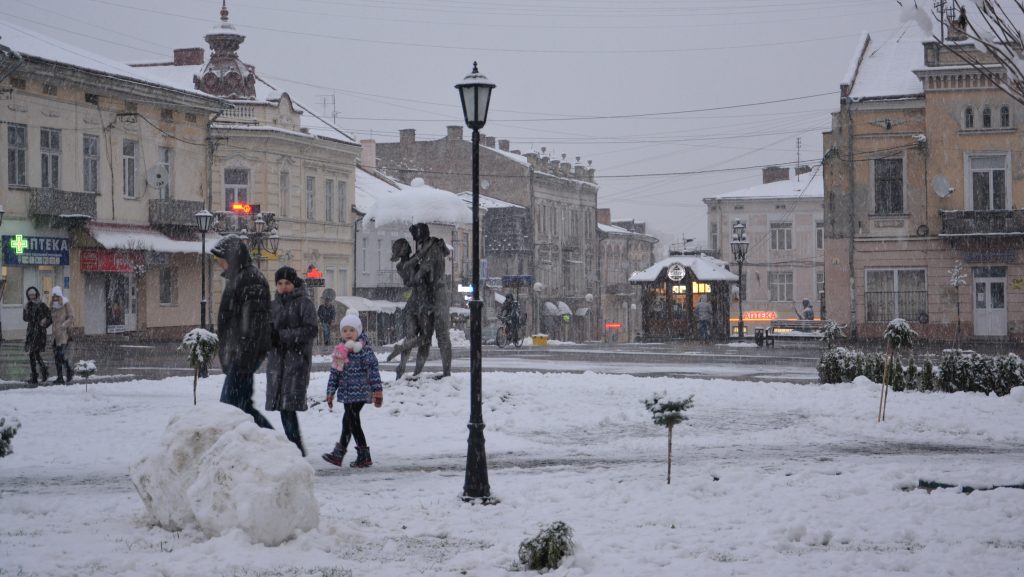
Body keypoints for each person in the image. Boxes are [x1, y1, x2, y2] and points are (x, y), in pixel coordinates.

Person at [211, 234, 274, 429]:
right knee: (240, 407)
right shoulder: (241, 278)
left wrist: (242, 355)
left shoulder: (249, 279)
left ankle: (277, 447)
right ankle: (275, 446)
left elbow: (252, 323)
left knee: (233, 407)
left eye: (221, 259)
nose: (219, 264)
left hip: (243, 355)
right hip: (239, 353)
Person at [266, 266, 318, 456]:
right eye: (279, 283)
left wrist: (283, 336)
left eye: (287, 283)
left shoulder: (304, 303)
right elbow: (269, 328)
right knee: (282, 407)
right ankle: (294, 446)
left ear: (294, 283)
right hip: (277, 363)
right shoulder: (274, 305)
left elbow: (311, 330)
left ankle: (296, 447)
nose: (283, 287)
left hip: (296, 362)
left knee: (288, 406)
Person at [322, 312, 383, 468]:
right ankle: (361, 455)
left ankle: (341, 453)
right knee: (351, 421)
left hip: (362, 391)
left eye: (352, 330)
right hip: (347, 392)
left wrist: (377, 392)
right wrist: (330, 392)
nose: (348, 333)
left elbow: (373, 371)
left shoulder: (364, 350)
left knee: (350, 419)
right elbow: (334, 374)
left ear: (359, 331)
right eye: (345, 330)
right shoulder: (340, 351)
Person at [408, 223, 452, 377]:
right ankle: (417, 372)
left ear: (420, 234)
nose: (415, 240)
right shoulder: (423, 248)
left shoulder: (433, 247)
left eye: (415, 236)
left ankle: (447, 372)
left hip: (438, 295)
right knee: (425, 337)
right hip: (428, 296)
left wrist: (414, 277)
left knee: (442, 335)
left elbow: (425, 269)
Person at [23, 286, 52, 384]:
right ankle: (42, 372)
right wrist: (25, 309)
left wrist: (44, 322)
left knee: (33, 353)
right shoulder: (28, 305)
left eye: (33, 294)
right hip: (31, 332)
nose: (32, 297)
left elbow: (50, 316)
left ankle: (37, 375)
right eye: (30, 295)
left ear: (36, 294)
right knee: (35, 354)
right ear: (28, 296)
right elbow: (25, 319)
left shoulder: (42, 305)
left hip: (39, 332)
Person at [49, 287, 74, 384]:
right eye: (53, 296)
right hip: (55, 335)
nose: (55, 298)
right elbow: (51, 319)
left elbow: (71, 317)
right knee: (56, 357)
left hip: (63, 334)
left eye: (56, 296)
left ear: (59, 296)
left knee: (61, 355)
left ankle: (69, 371)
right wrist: (45, 322)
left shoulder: (66, 304)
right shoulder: (52, 306)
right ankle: (60, 377)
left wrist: (64, 325)